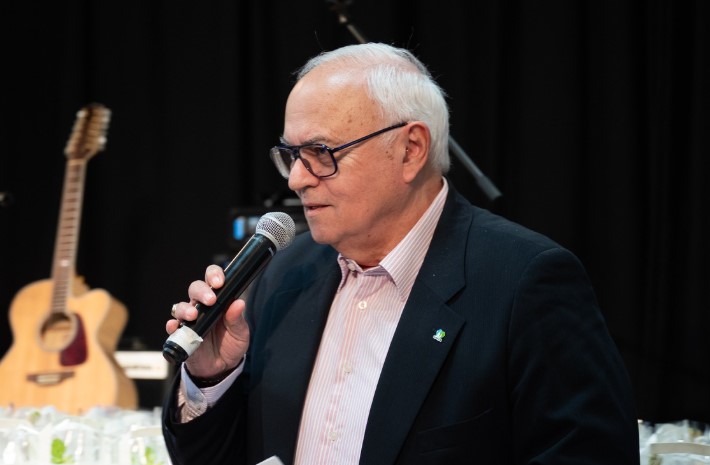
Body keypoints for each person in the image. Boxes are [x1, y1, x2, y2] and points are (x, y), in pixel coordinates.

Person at [162, 42, 640, 465]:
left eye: (322, 152)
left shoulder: (524, 282)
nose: (297, 179)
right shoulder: (284, 273)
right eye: (291, 155)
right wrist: (213, 378)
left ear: (411, 149)